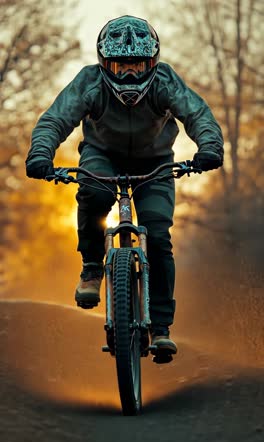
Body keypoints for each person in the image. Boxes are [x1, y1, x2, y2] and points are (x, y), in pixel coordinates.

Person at [26, 15, 224, 356]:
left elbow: (198, 114)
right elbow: (56, 118)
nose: (129, 74)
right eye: (120, 67)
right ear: (104, 63)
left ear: (153, 63)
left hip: (156, 163)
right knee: (93, 191)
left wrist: (210, 148)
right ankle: (91, 268)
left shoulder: (165, 81)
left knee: (158, 235)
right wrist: (41, 153)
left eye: (137, 66)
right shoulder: (89, 82)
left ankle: (161, 327)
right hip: (102, 156)